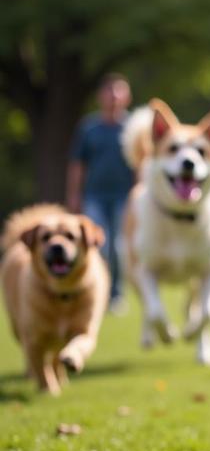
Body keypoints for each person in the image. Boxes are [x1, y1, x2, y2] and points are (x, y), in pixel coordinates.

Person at [65, 73, 134, 313]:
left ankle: (115, 294)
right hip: (93, 196)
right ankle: (95, 289)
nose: (114, 97)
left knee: (117, 247)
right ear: (100, 96)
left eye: (119, 91)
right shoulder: (89, 128)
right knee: (97, 246)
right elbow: (77, 164)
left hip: (124, 197)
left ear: (127, 96)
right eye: (109, 91)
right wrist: (74, 194)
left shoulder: (132, 128)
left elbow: (142, 164)